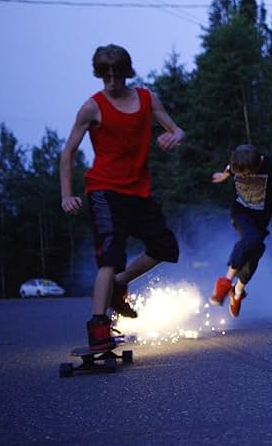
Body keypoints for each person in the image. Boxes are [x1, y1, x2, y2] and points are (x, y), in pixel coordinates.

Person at [60, 44, 184, 351]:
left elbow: (177, 129)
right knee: (110, 257)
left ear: (127, 73)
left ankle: (119, 284)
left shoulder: (146, 99)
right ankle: (99, 326)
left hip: (138, 190)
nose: (112, 82)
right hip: (104, 190)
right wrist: (66, 194)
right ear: (100, 76)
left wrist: (174, 136)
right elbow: (69, 152)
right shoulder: (92, 107)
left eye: (117, 75)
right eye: (106, 76)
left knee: (165, 247)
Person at [208, 144, 272, 317]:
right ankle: (225, 283)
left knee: (255, 252)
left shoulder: (271, 165)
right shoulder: (237, 163)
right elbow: (228, 170)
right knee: (252, 238)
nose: (243, 177)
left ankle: (237, 292)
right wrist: (223, 175)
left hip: (261, 220)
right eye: (239, 174)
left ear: (256, 167)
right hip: (240, 212)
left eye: (247, 174)